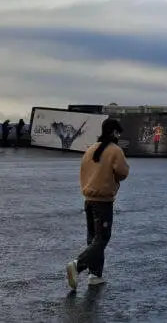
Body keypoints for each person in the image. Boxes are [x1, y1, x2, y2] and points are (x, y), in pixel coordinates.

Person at [66, 118, 129, 290]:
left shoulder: (90, 150)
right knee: (102, 238)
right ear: (114, 132)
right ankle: (78, 265)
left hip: (88, 199)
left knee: (93, 238)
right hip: (103, 202)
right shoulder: (115, 150)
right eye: (118, 132)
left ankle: (95, 274)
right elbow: (123, 172)